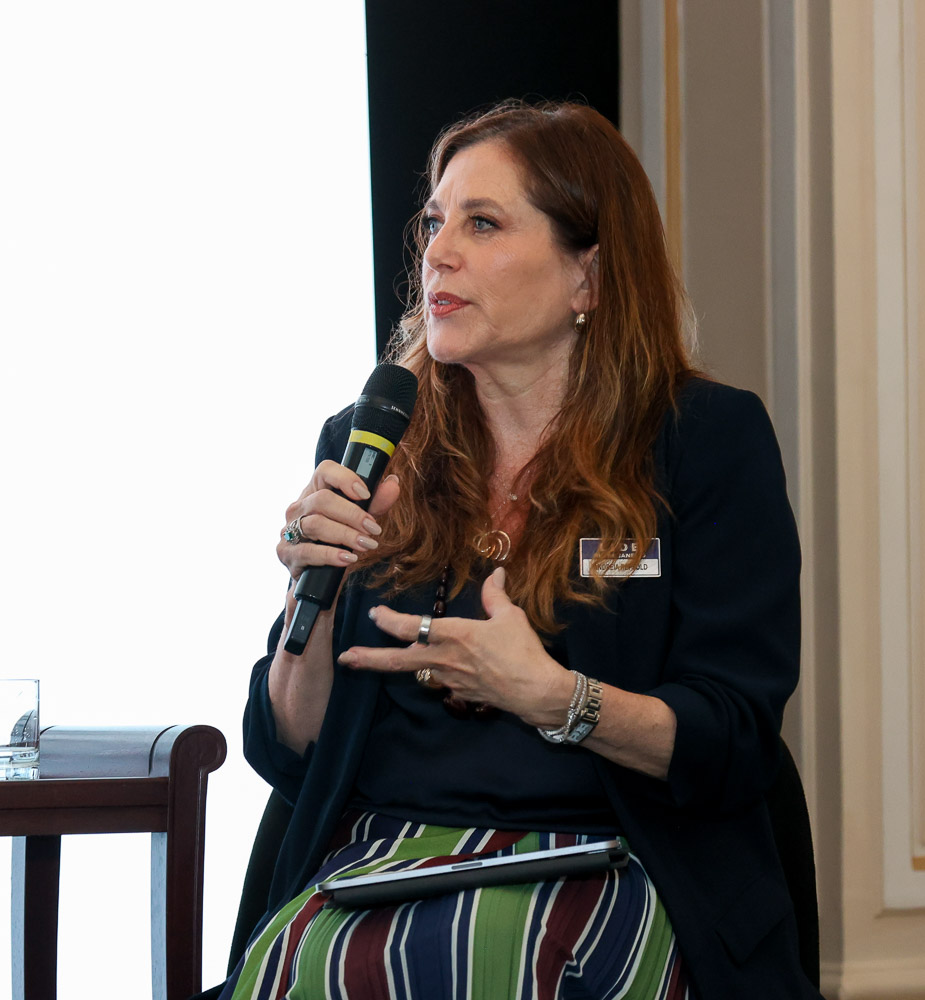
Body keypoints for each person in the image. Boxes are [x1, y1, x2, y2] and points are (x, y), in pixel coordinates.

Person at [225, 100, 813, 999]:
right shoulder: (370, 441)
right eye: (435, 222)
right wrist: (319, 596)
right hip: (382, 864)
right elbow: (288, 750)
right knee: (332, 968)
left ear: (589, 277)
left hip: (609, 863)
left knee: (498, 959)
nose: (438, 252)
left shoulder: (702, 442)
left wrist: (554, 698)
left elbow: (732, 741)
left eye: (483, 224)